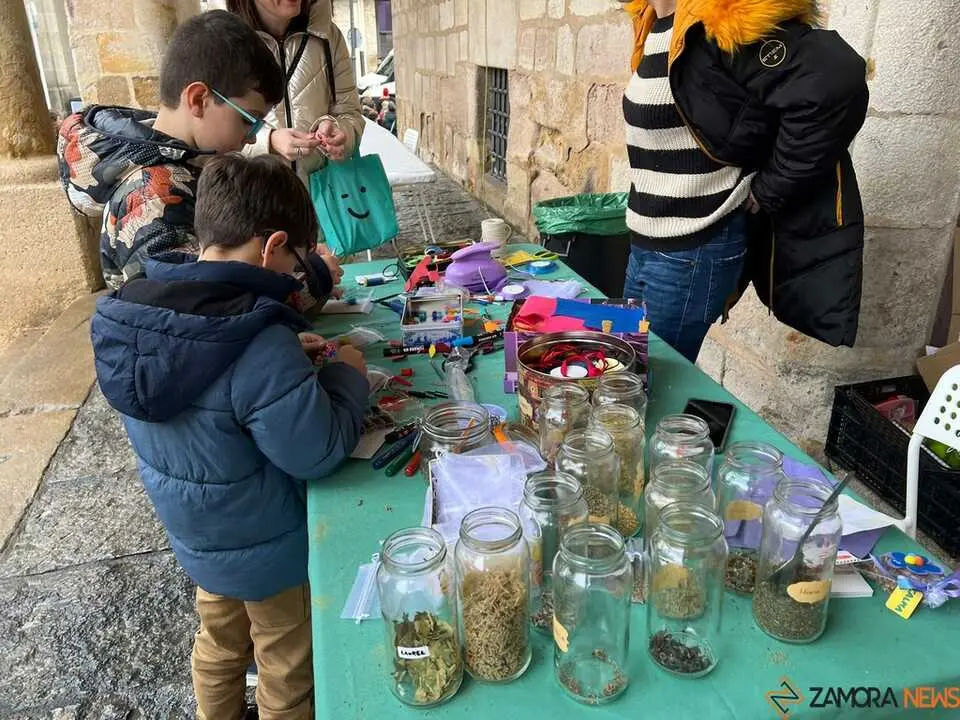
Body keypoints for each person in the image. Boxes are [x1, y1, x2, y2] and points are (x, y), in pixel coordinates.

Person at [90, 153, 369, 720]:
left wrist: (285, 364)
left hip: (199, 540)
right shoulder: (257, 342)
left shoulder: (135, 314)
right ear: (273, 246)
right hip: (272, 552)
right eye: (295, 263)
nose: (294, 276)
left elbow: (205, 395)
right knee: (286, 667)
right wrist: (348, 378)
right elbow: (315, 450)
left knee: (217, 647)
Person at [621, 0, 868, 362]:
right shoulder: (654, 25)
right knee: (628, 370)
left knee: (644, 381)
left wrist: (771, 187)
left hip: (692, 251)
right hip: (645, 244)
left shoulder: (726, 19)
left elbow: (835, 80)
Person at [56, 11, 339, 295]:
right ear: (198, 99)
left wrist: (293, 254)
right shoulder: (153, 198)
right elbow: (205, 308)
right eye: (248, 120)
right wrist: (311, 280)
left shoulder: (187, 166)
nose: (252, 136)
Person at [227, 0, 364, 184]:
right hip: (256, 197)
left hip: (322, 199)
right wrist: (269, 141)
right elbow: (215, 136)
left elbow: (351, 114)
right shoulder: (227, 44)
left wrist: (340, 133)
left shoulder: (329, 36)